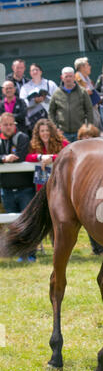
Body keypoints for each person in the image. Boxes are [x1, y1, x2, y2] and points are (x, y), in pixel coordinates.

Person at [0, 112, 35, 262]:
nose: (8, 127)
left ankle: (31, 254)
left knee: (28, 223)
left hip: (25, 188)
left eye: (11, 124)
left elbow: (21, 155)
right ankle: (20, 254)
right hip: (6, 189)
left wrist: (7, 159)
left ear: (14, 124)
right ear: (0, 126)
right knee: (13, 225)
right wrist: (4, 158)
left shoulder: (22, 137)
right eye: (5, 124)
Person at [77, 122, 103, 256]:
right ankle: (96, 248)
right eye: (84, 136)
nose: (86, 139)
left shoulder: (101, 153)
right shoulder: (77, 157)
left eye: (90, 136)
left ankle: (101, 248)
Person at [49, 67, 93, 143]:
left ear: (74, 77)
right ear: (62, 78)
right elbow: (51, 112)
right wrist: (55, 128)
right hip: (63, 133)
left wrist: (87, 128)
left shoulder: (82, 92)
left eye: (70, 76)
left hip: (80, 133)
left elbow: (89, 110)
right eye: (66, 76)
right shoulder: (56, 93)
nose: (68, 79)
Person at [25, 119, 69, 191]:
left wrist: (52, 158)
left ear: (52, 132)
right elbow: (28, 157)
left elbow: (68, 155)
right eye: (42, 131)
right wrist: (40, 157)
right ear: (38, 133)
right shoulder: (34, 145)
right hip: (42, 186)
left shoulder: (62, 143)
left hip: (59, 185)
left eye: (47, 130)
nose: (45, 133)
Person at [19, 63, 57, 133]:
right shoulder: (25, 87)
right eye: (32, 70)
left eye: (36, 70)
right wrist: (34, 102)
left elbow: (57, 100)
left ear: (41, 72)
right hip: (33, 121)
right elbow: (23, 104)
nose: (35, 72)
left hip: (50, 119)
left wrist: (46, 99)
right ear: (30, 73)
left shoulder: (50, 84)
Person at [74, 57, 102, 129]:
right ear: (82, 67)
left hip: (93, 108)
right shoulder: (76, 80)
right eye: (88, 65)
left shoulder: (87, 79)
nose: (90, 67)